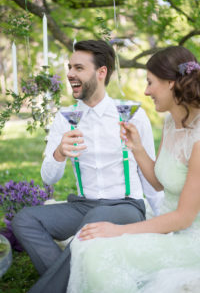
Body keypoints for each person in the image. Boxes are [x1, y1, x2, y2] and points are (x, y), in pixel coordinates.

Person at [11, 39, 163, 293]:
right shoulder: (64, 118)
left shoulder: (131, 114)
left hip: (125, 205)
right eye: (69, 67)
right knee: (25, 219)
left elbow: (149, 176)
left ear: (101, 72)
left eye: (78, 68)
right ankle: (71, 284)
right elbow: (48, 179)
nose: (70, 74)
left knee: (92, 223)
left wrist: (161, 223)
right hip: (83, 205)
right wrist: (59, 152)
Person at [67, 46, 200, 293]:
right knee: (86, 244)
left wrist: (118, 231)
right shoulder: (172, 122)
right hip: (167, 228)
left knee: (99, 250)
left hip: (191, 242)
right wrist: (136, 147)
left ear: (171, 83)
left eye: (150, 83)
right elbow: (160, 183)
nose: (146, 91)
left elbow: (184, 218)